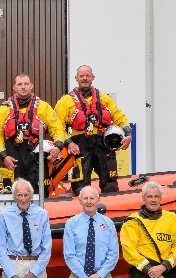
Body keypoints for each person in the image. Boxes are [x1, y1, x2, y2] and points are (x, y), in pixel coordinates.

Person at [55, 65, 132, 194]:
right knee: (81, 187)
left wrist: (128, 134)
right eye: (81, 76)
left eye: (87, 76)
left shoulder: (104, 99)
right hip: (80, 146)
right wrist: (69, 143)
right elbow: (57, 127)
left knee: (111, 185)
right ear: (76, 78)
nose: (84, 78)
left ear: (92, 77)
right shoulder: (65, 101)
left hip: (103, 143)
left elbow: (119, 117)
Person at [0, 74, 66, 191]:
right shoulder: (3, 108)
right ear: (14, 87)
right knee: (14, 190)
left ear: (31, 85)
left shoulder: (43, 107)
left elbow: (57, 127)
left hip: (36, 152)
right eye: (20, 84)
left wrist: (58, 147)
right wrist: (4, 156)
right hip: (12, 154)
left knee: (40, 189)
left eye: (26, 83)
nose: (23, 87)